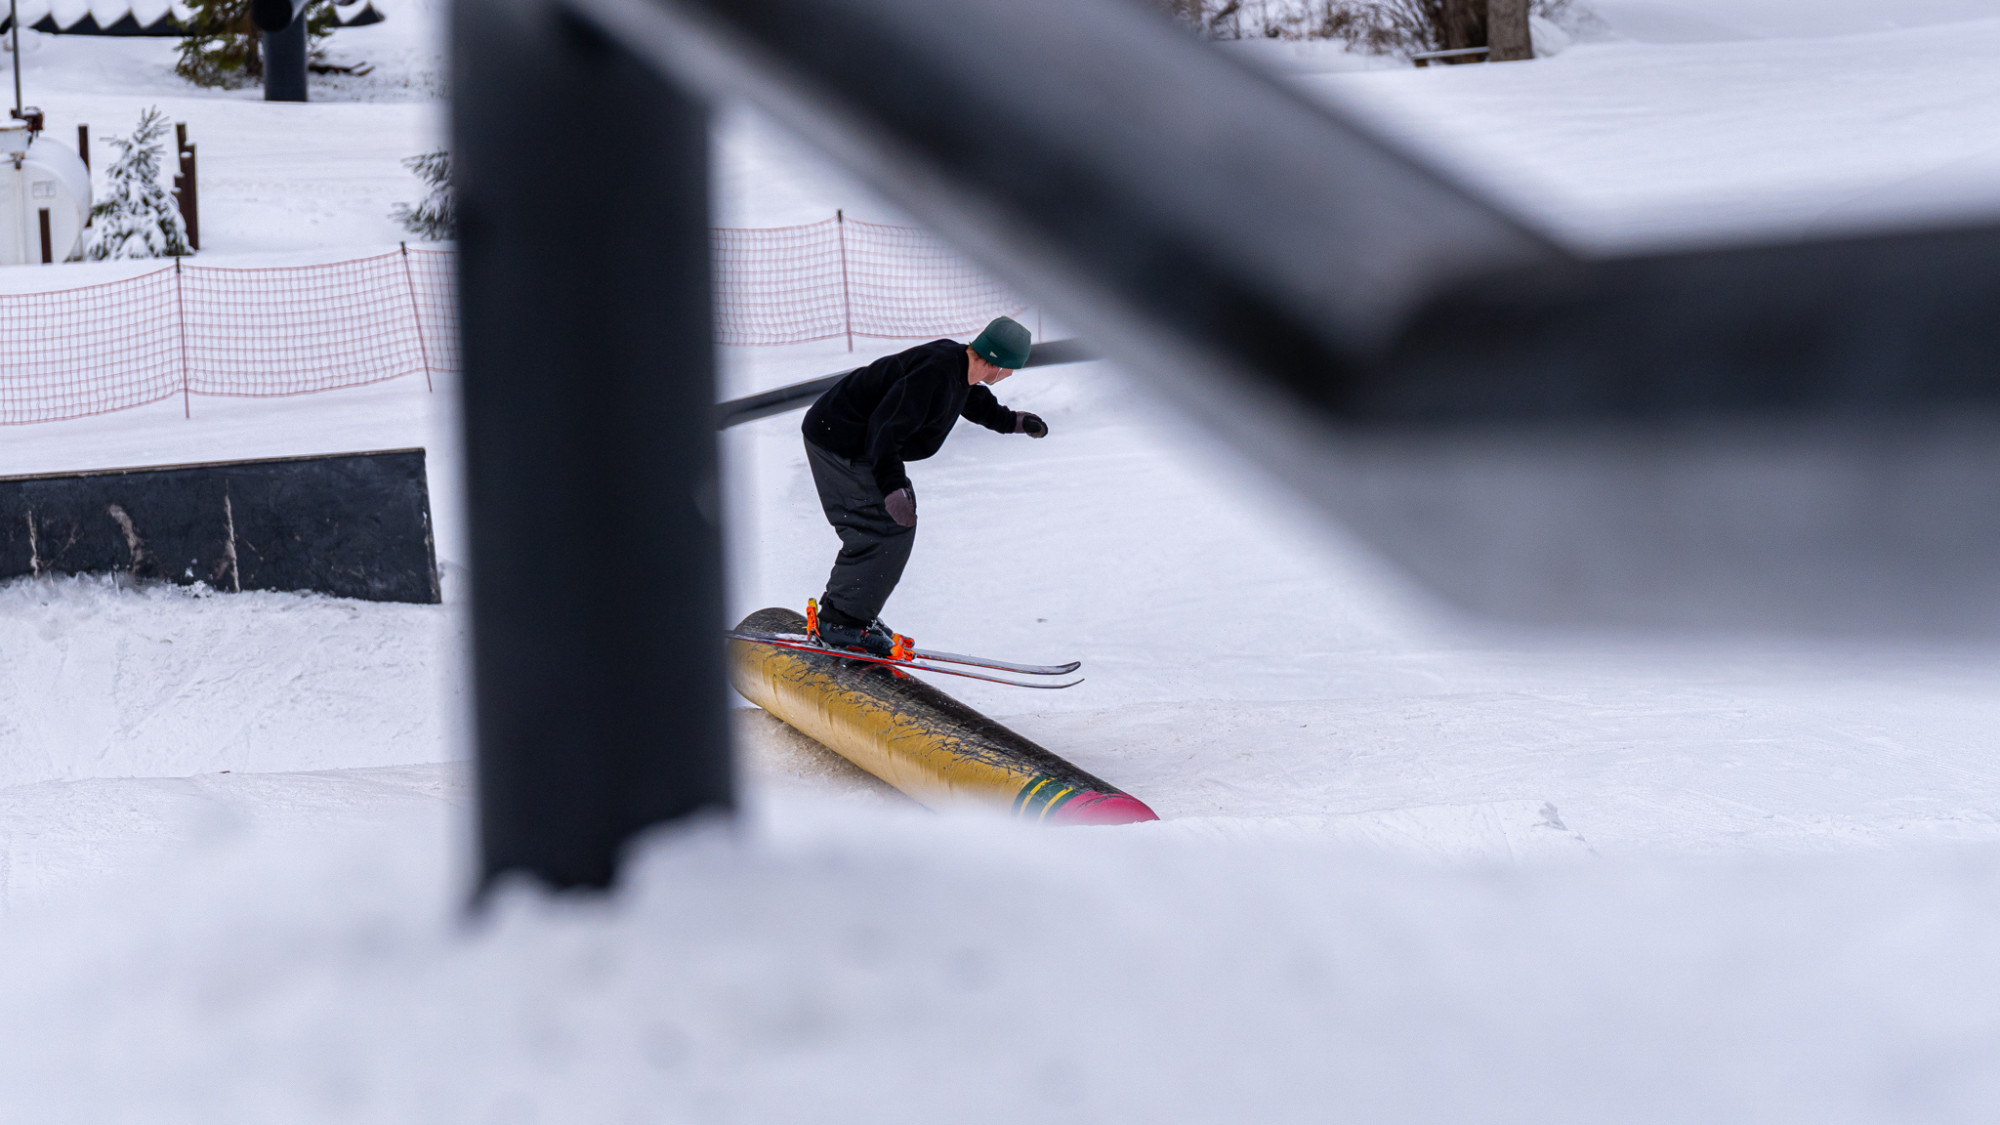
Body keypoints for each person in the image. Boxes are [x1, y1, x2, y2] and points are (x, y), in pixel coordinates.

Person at [800, 315, 1047, 655]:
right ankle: (842, 621)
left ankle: (852, 610)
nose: (1010, 375)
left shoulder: (958, 366)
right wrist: (891, 488)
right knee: (880, 527)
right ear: (997, 364)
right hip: (840, 440)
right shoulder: (935, 375)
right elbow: (884, 430)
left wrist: (1014, 422)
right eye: (1012, 368)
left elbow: (970, 399)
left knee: (891, 525)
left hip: (853, 438)